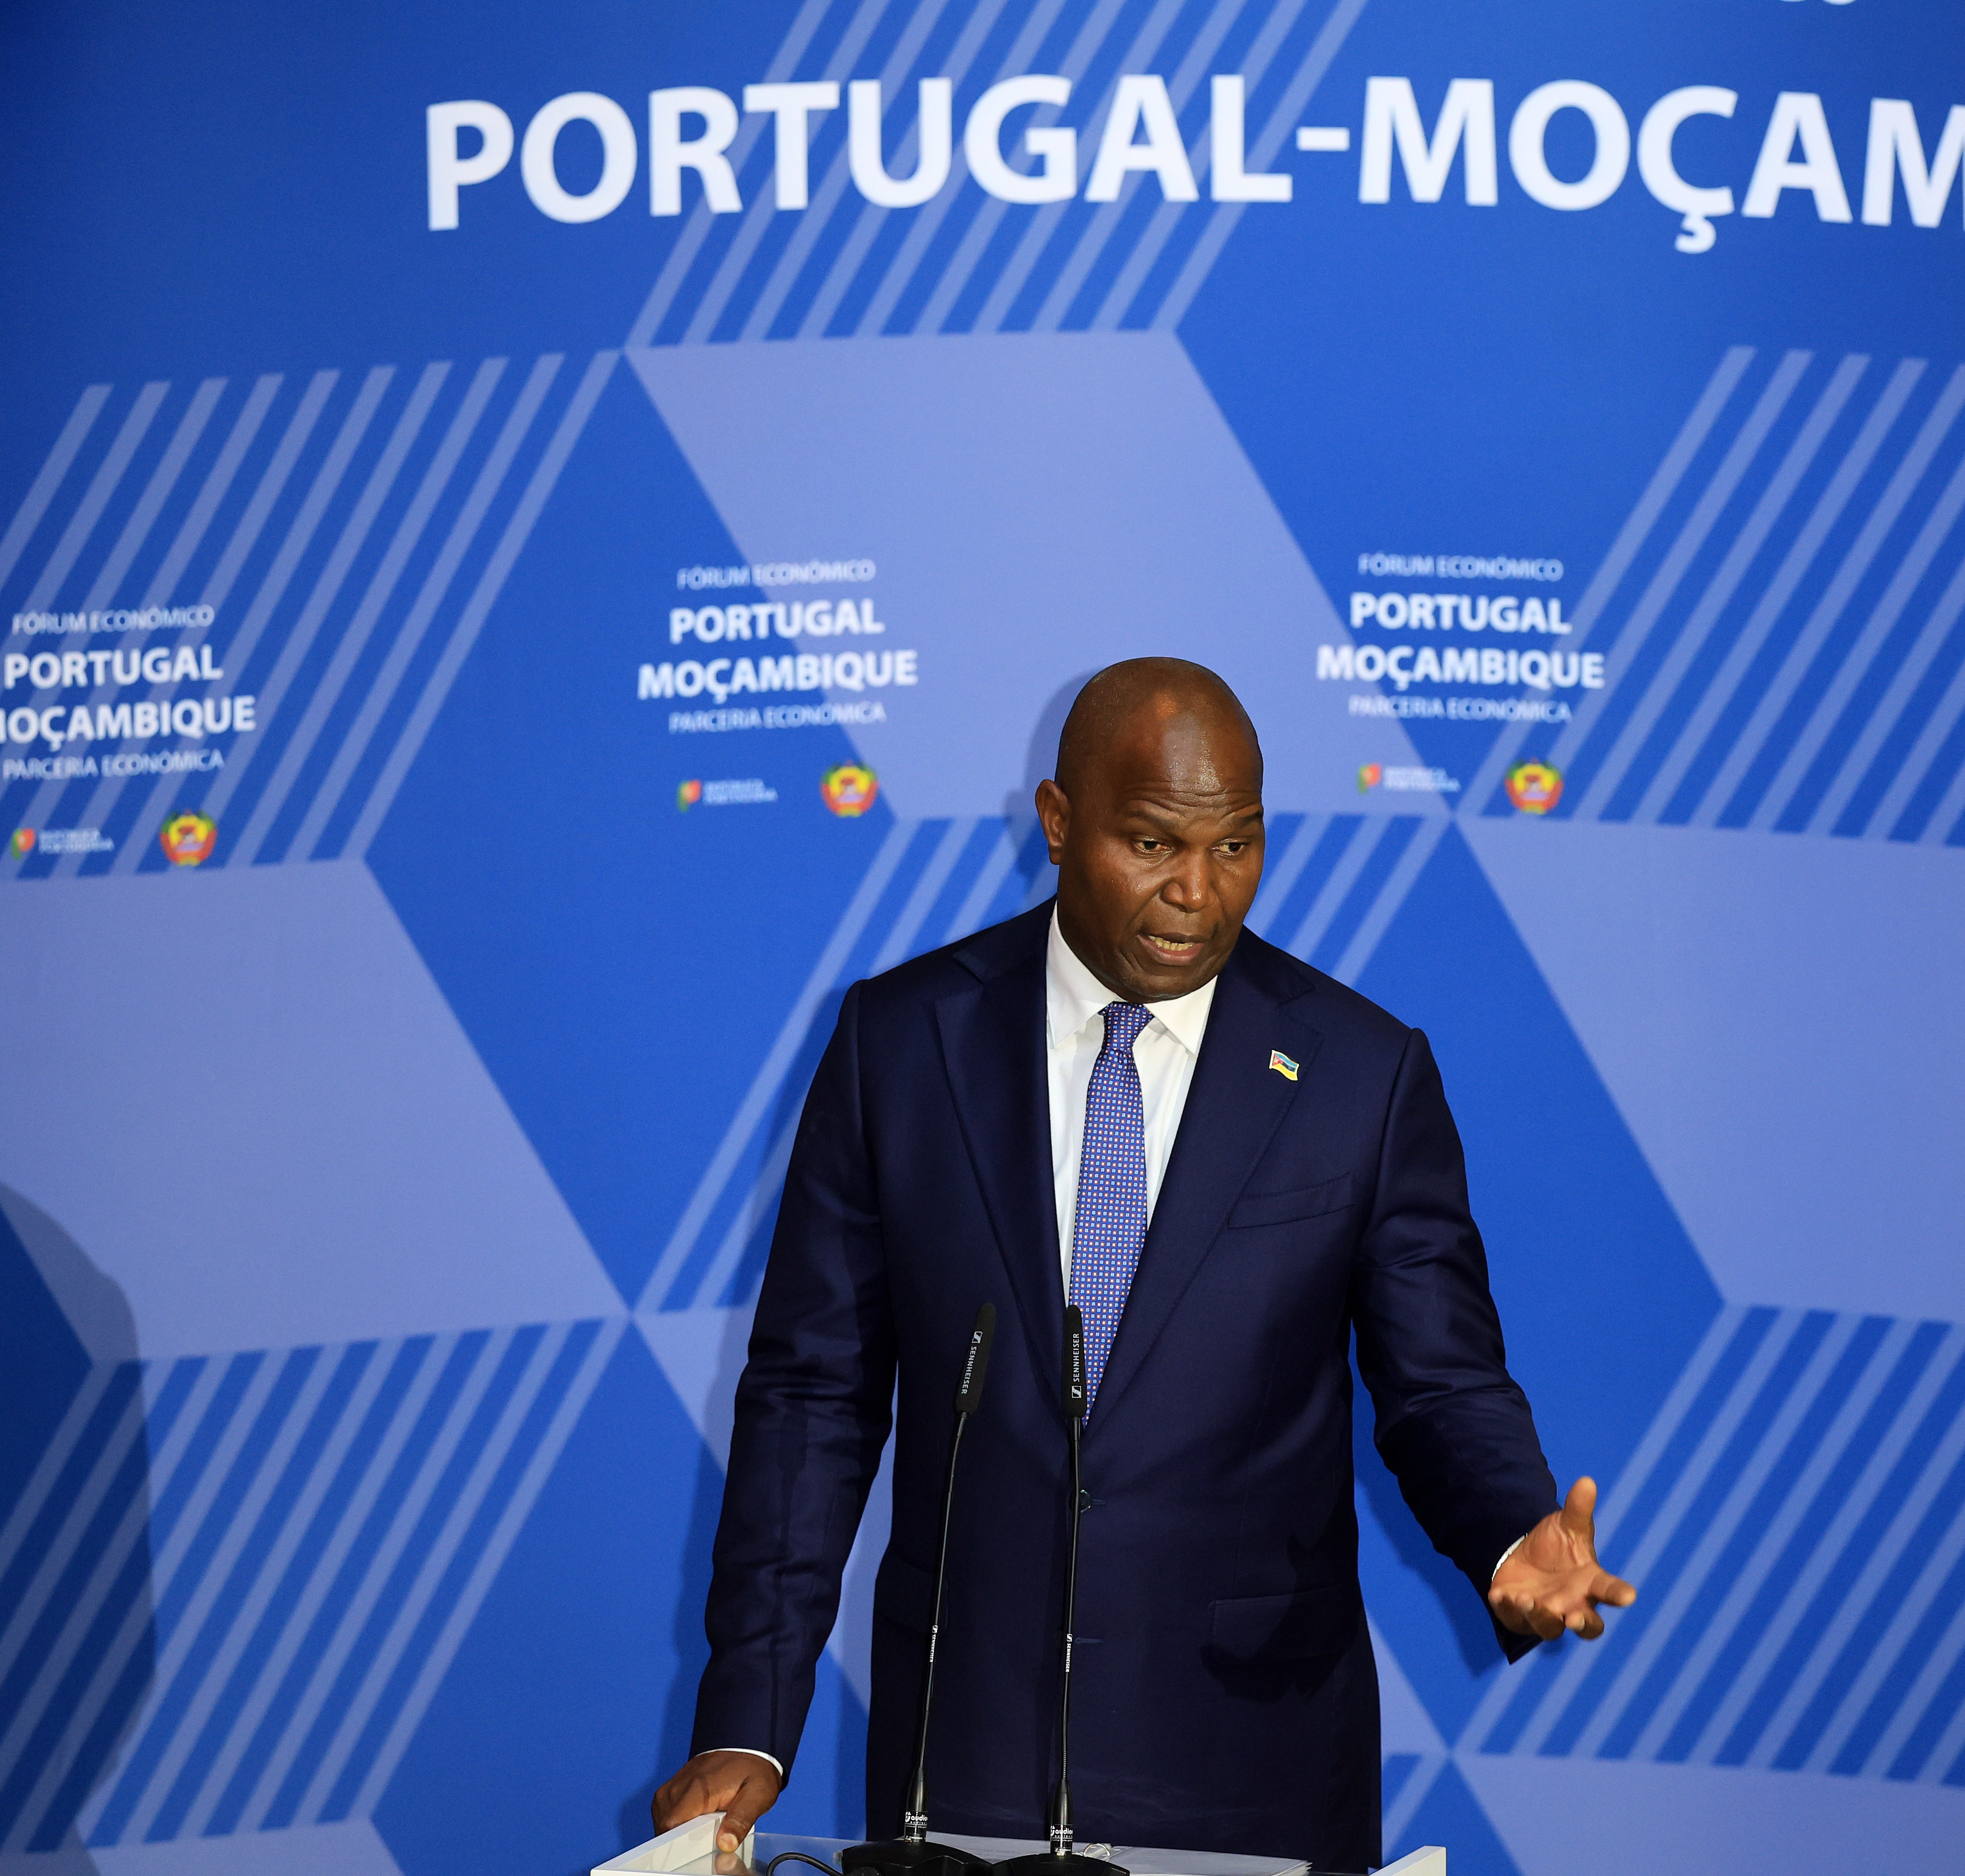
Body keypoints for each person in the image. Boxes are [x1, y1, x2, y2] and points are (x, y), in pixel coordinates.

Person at [652, 658, 1634, 1871]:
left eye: (1237, 847)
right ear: (1059, 824)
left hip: (1255, 1758)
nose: (1199, 894)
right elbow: (813, 1396)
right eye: (1154, 843)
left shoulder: (1359, 1075)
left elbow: (1440, 1383)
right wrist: (750, 1719)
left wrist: (1508, 1531)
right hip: (964, 1757)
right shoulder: (903, 1045)